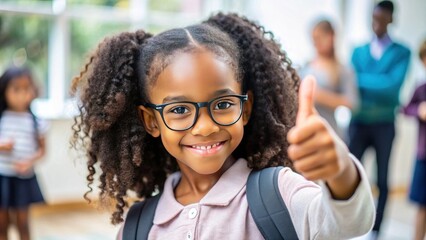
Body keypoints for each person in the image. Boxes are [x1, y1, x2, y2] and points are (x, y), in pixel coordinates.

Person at [71, 13, 375, 239]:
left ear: (246, 108)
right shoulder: (138, 226)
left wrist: (340, 172)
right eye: (179, 109)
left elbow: (350, 223)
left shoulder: (277, 192)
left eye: (223, 104)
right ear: (151, 121)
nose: (204, 127)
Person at [349, 0, 411, 237]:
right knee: (352, 174)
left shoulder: (402, 52)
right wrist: (378, 82)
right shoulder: (358, 50)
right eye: (374, 18)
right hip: (358, 123)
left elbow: (392, 88)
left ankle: (376, 229)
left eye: (382, 18)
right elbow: (351, 83)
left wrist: (362, 80)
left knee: (382, 179)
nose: (377, 23)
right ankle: (350, 223)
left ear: (391, 20)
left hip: (385, 125)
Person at [0, 66, 47, 240]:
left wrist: (29, 162)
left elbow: (42, 151)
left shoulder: (36, 121)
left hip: (23, 179)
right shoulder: (2, 117)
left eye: (26, 89)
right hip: (2, 177)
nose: (22, 95)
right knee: (2, 223)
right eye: (16, 89)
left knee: (23, 223)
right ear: (4, 90)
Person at [300, 19, 358, 140]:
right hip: (304, 128)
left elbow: (352, 102)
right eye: (314, 39)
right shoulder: (306, 66)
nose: (316, 43)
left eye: (320, 38)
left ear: (331, 37)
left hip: (329, 131)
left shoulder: (343, 70)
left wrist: (319, 96)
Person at [402, 40, 426, 240]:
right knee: (422, 206)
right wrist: (419, 110)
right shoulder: (421, 88)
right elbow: (405, 108)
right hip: (424, 155)